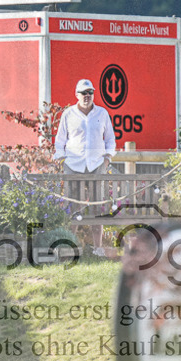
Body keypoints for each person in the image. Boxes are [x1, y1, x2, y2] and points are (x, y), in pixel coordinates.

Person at [53, 79, 116, 255]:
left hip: (97, 165)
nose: (87, 96)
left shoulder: (102, 113)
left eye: (90, 92)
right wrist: (62, 160)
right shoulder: (68, 114)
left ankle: (98, 248)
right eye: (83, 92)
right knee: (73, 207)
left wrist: (107, 160)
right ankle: (68, 246)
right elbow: (60, 141)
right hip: (73, 165)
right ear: (76, 95)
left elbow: (110, 139)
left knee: (97, 206)